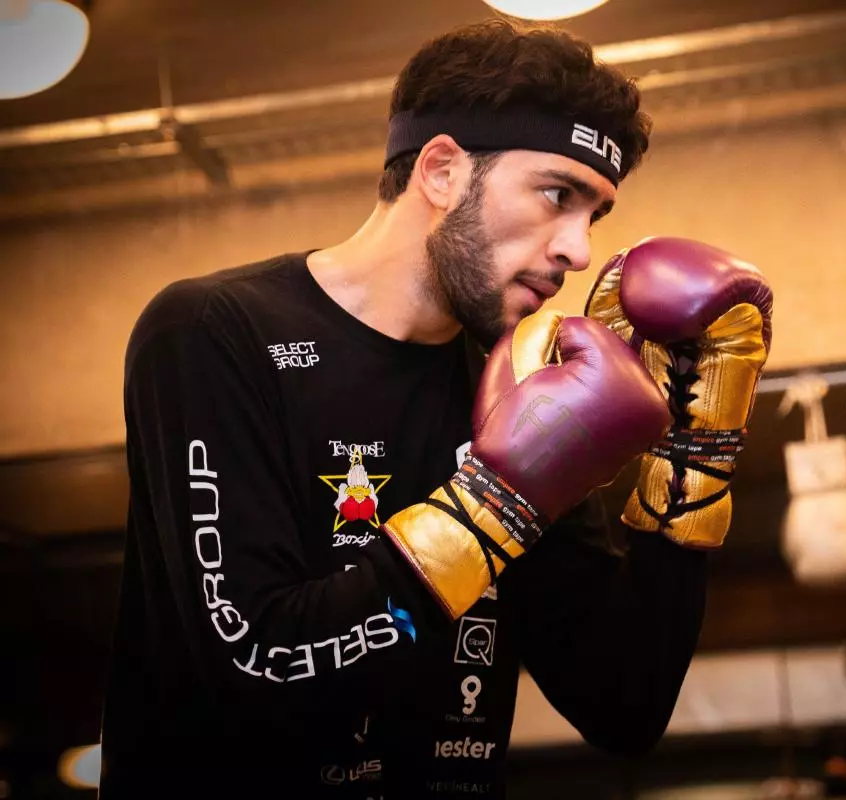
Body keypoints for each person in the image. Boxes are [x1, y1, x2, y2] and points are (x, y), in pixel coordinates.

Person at [99, 18, 772, 799]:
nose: (580, 250)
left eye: (595, 215)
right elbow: (260, 669)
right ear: (443, 170)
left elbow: (625, 707)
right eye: (558, 194)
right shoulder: (215, 334)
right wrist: (498, 502)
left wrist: (696, 456)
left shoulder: (516, 383)